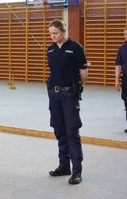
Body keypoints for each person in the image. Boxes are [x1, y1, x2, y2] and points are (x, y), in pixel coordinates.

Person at [46, 19, 88, 185]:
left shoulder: (75, 47)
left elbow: (84, 74)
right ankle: (64, 166)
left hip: (69, 94)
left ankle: (77, 170)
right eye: (50, 34)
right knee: (59, 130)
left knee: (72, 131)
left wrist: (75, 89)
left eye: (55, 33)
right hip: (53, 95)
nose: (53, 36)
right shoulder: (50, 50)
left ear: (63, 31)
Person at [115, 28, 127, 133]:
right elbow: (118, 65)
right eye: (125, 34)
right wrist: (117, 80)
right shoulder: (122, 48)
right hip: (126, 79)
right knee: (126, 101)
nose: (126, 36)